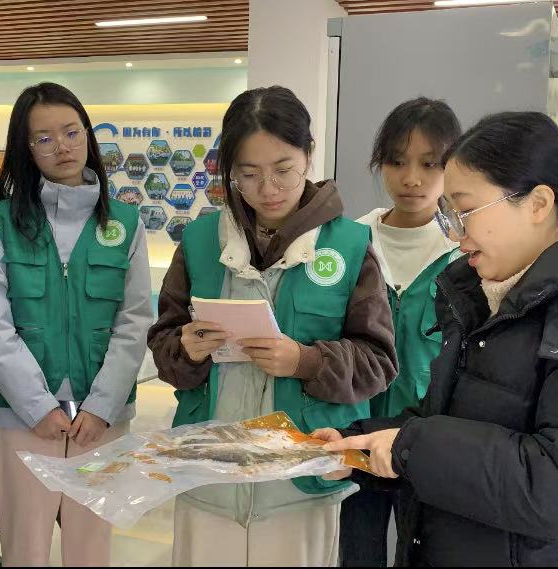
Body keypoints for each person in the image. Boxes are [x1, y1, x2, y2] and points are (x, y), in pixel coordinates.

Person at [317, 111, 558, 566]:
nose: (454, 233)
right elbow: (455, 417)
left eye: (464, 211)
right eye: (448, 213)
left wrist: (412, 448)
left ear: (537, 204)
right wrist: (361, 444)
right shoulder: (484, 294)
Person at [147, 85, 398, 567]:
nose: (269, 188)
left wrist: (305, 361)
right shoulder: (200, 239)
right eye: (249, 173)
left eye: (283, 169)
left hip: (299, 479)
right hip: (209, 471)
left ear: (308, 154)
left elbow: (379, 363)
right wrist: (186, 349)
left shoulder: (349, 245)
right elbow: (164, 343)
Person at [0, 82, 153, 566]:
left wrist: (101, 407)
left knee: (91, 549)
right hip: (22, 418)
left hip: (104, 420)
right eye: (44, 138)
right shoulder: (3, 223)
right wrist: (35, 406)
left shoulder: (125, 223)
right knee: (23, 549)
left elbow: (135, 321)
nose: (63, 146)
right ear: (25, 149)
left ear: (88, 136)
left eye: (72, 132)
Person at [340, 97, 461, 567]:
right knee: (357, 553)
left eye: (430, 164)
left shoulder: (465, 251)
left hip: (427, 438)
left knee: (425, 552)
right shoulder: (349, 241)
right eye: (396, 162)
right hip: (357, 431)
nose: (411, 178)